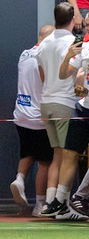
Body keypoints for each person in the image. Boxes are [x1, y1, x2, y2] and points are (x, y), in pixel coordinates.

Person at [41, 10, 89, 221]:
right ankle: (60, 200)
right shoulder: (86, 46)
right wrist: (67, 57)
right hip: (84, 107)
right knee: (69, 152)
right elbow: (63, 74)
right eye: (87, 24)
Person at [35, 3, 79, 210]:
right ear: (73, 20)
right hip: (65, 102)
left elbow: (42, 75)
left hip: (46, 102)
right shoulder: (74, 43)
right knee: (68, 156)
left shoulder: (44, 43)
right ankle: (60, 204)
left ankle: (50, 203)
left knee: (57, 154)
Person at [11, 25, 55, 216]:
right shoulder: (45, 58)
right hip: (39, 117)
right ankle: (40, 203)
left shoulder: (24, 54)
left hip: (21, 114)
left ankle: (19, 179)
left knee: (27, 153)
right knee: (45, 162)